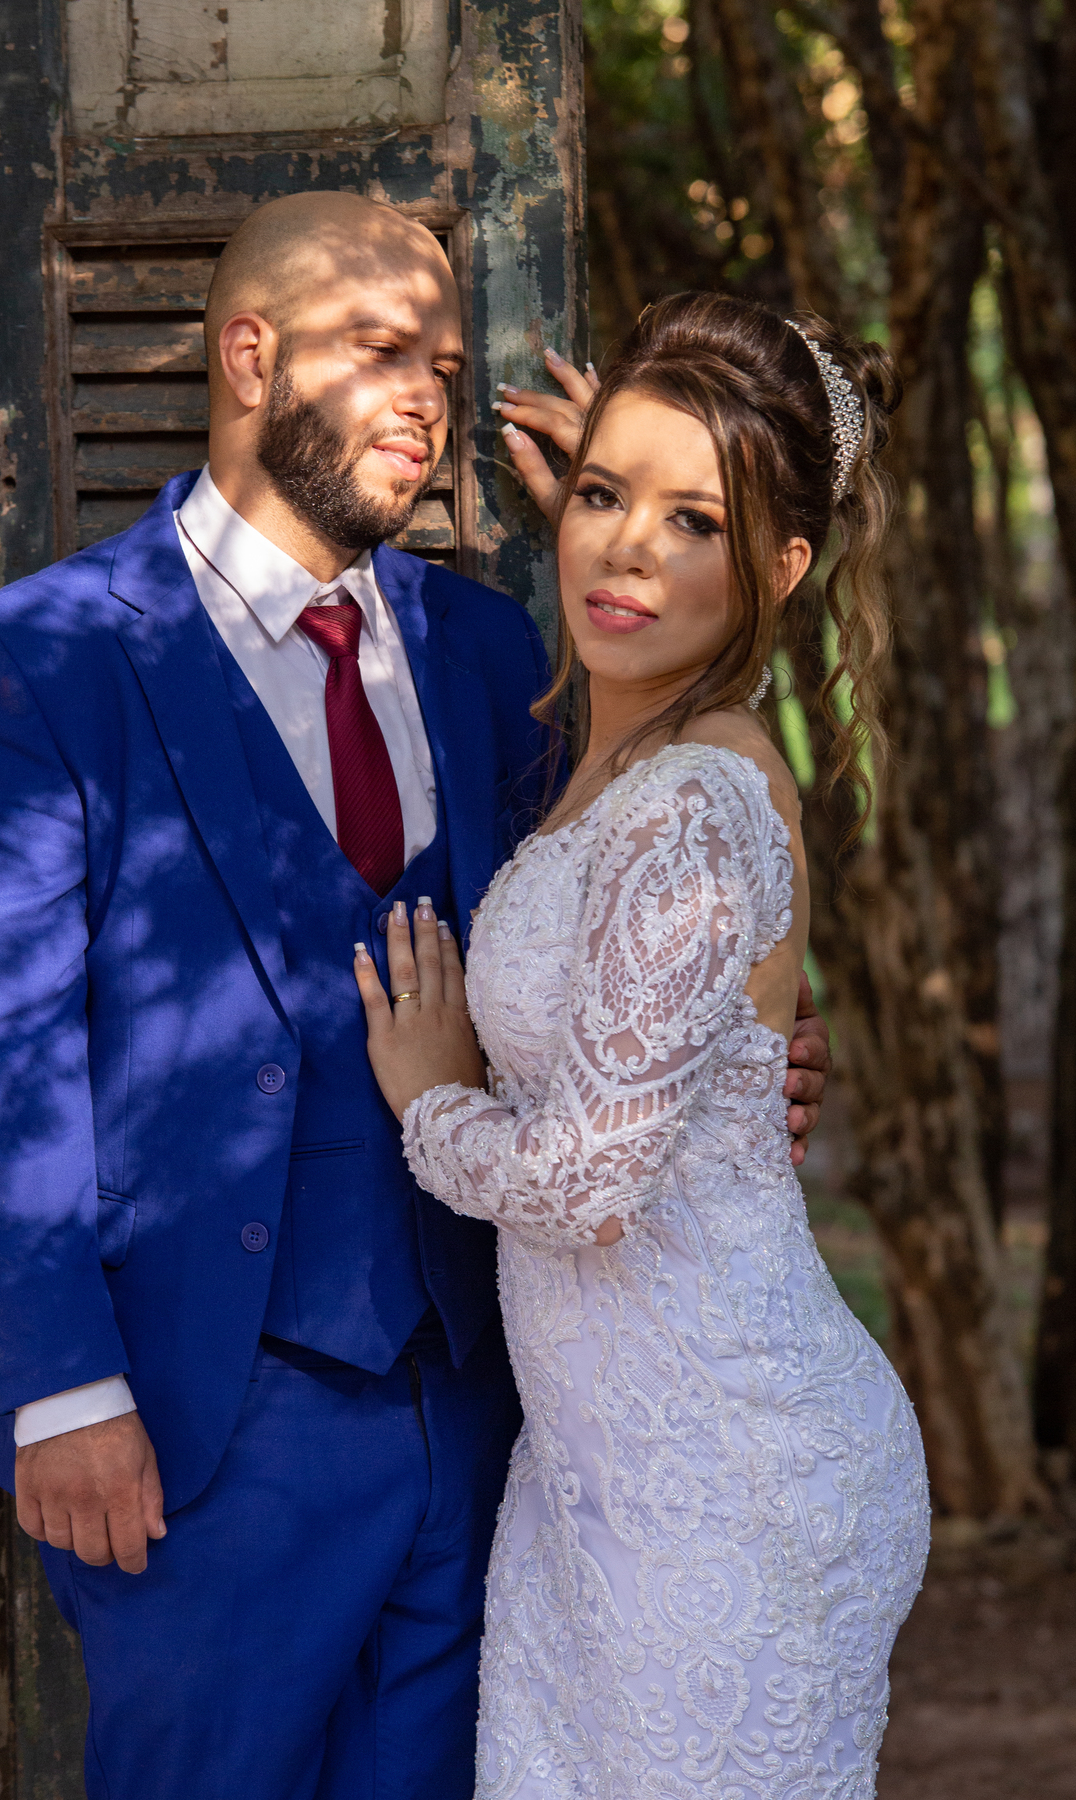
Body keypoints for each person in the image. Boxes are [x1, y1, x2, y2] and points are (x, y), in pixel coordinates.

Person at [0, 192, 830, 1800]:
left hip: (489, 1420)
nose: (426, 397)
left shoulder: (489, 648)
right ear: (249, 357)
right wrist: (62, 1387)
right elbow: (0, 1050)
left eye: (448, 367)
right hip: (200, 1430)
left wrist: (737, 1071)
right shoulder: (45, 658)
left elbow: (628, 914)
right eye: (381, 349)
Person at [354, 292, 930, 1799]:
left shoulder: (693, 801)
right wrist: (650, 490)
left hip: (728, 1478)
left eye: (697, 525)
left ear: (781, 569)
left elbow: (591, 1181)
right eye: (605, 496)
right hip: (599, 1477)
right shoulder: (623, 760)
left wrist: (433, 1102)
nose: (628, 551)